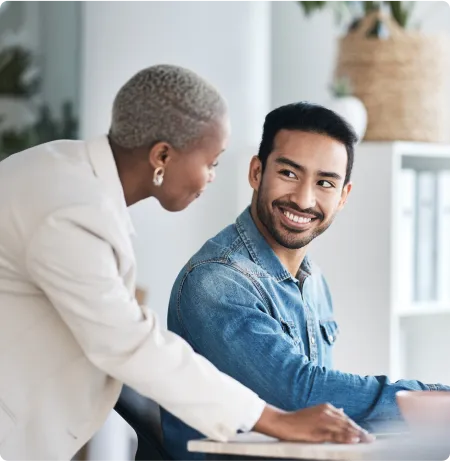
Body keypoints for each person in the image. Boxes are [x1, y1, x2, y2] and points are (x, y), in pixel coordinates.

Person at [0, 66, 371, 461]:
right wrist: (274, 418)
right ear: (163, 155)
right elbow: (129, 343)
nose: (211, 177)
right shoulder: (71, 209)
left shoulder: (65, 171)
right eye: (211, 162)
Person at [162, 101, 450, 460]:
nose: (303, 199)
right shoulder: (216, 280)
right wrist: (428, 399)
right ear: (256, 172)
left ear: (343, 196)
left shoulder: (313, 281)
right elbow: (301, 394)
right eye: (289, 174)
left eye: (325, 182)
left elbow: (323, 417)